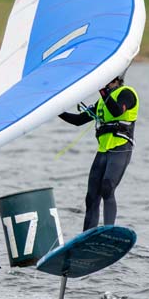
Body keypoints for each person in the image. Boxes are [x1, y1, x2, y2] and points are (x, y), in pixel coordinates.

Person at [59, 74, 139, 230]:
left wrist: (102, 89)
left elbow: (116, 111)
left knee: (107, 187)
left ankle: (109, 230)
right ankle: (87, 235)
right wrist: (56, 110)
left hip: (120, 148)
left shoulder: (127, 93)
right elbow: (78, 120)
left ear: (116, 79)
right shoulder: (102, 101)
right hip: (103, 151)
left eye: (106, 80)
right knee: (91, 196)